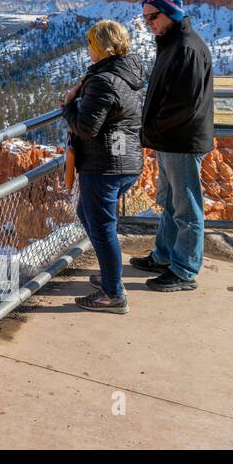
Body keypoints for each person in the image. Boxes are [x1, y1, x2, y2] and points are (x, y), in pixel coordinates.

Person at [131, 0, 215, 291]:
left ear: (171, 13)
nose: (148, 23)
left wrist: (153, 129)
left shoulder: (186, 49)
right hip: (169, 141)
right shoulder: (171, 44)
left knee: (186, 207)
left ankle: (184, 270)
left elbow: (184, 106)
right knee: (168, 202)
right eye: (145, 19)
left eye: (153, 17)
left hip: (181, 141)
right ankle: (165, 255)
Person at [62, 19, 144, 313]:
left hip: (105, 166)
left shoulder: (103, 80)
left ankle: (113, 294)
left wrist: (68, 105)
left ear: (101, 46)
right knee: (89, 215)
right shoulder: (124, 73)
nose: (87, 49)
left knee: (103, 228)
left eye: (90, 43)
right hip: (125, 163)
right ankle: (111, 277)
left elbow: (86, 129)